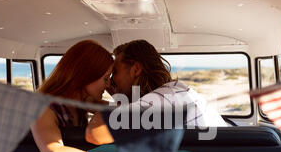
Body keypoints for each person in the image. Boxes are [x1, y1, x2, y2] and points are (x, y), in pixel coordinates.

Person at [30, 40, 143, 152]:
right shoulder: (42, 107)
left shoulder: (81, 102)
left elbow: (121, 109)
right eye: (105, 78)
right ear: (85, 76)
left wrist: (112, 88)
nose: (107, 85)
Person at [85, 39, 228, 145]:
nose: (111, 81)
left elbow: (95, 133)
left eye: (114, 72)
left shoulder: (161, 99)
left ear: (135, 69)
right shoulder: (175, 91)